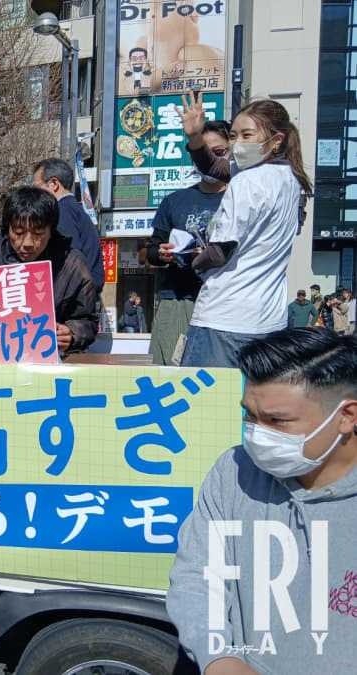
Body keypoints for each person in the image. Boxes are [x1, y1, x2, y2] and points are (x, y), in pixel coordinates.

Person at [167, 328, 357, 675]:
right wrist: (219, 658)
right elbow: (198, 575)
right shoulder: (234, 470)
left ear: (347, 416)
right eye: (249, 416)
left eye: (276, 421)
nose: (257, 434)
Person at [176, 95, 312, 367]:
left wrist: (192, 259)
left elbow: (220, 252)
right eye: (234, 135)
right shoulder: (292, 180)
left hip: (225, 315)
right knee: (252, 393)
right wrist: (195, 136)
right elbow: (216, 167)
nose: (237, 144)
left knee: (204, 394)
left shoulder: (247, 181)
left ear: (276, 140)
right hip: (269, 318)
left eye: (247, 135)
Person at [0, 186, 99, 353]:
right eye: (18, 232)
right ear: (8, 228)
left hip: (47, 359)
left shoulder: (71, 264)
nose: (27, 243)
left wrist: (72, 333)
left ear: (51, 230)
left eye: (38, 233)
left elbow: (87, 320)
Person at [146, 120, 230, 364]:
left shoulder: (242, 198)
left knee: (221, 374)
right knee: (169, 372)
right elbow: (150, 250)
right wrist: (159, 253)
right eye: (202, 152)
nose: (209, 159)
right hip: (179, 299)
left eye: (218, 152)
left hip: (226, 302)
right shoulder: (174, 201)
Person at [32, 158, 105, 292]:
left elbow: (68, 258)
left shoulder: (61, 211)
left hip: (75, 295)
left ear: (54, 184)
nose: (34, 195)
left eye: (36, 188)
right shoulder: (75, 209)